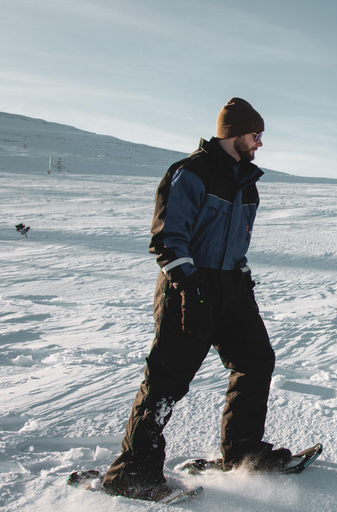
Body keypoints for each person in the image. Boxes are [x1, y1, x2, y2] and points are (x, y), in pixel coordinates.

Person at [102, 98, 292, 500]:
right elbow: (168, 239)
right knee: (167, 378)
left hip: (231, 287)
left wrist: (242, 280)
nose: (260, 143)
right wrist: (188, 287)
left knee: (256, 359)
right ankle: (132, 473)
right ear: (235, 133)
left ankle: (241, 452)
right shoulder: (190, 173)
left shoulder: (246, 181)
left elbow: (237, 241)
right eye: (256, 135)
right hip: (190, 286)